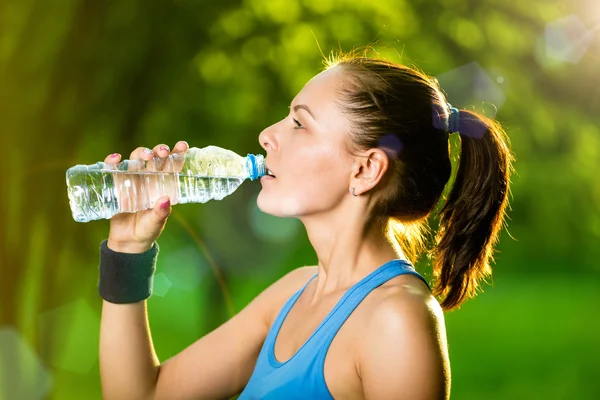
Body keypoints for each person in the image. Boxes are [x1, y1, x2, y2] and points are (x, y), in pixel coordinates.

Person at [98, 53, 513, 400]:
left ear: (366, 169)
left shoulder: (396, 321)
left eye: (300, 124)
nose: (267, 136)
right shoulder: (291, 293)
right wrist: (127, 248)